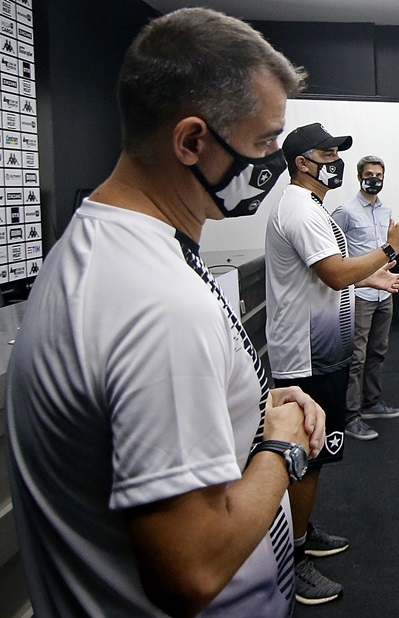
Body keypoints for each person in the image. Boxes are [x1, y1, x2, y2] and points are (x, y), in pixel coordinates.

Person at [7, 9, 327, 616]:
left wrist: (253, 409)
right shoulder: (157, 303)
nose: (274, 163)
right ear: (191, 142)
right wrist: (282, 448)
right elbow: (192, 570)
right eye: (264, 142)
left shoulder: (108, 244)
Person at [268, 123, 399, 603]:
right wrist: (391, 247)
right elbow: (334, 274)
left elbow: (323, 275)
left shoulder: (312, 208)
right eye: (327, 155)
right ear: (302, 163)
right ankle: (292, 560)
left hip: (322, 351)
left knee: (316, 456)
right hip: (306, 358)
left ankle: (302, 531)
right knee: (305, 456)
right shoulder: (300, 208)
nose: (335, 162)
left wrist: (372, 279)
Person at [331, 155, 399, 441]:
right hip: (359, 292)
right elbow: (332, 250)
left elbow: (388, 249)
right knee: (356, 356)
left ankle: (372, 403)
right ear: (359, 177)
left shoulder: (386, 210)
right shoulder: (345, 211)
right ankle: (351, 416)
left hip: (383, 291)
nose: (374, 179)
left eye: (379, 175)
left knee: (378, 350)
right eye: (369, 175)